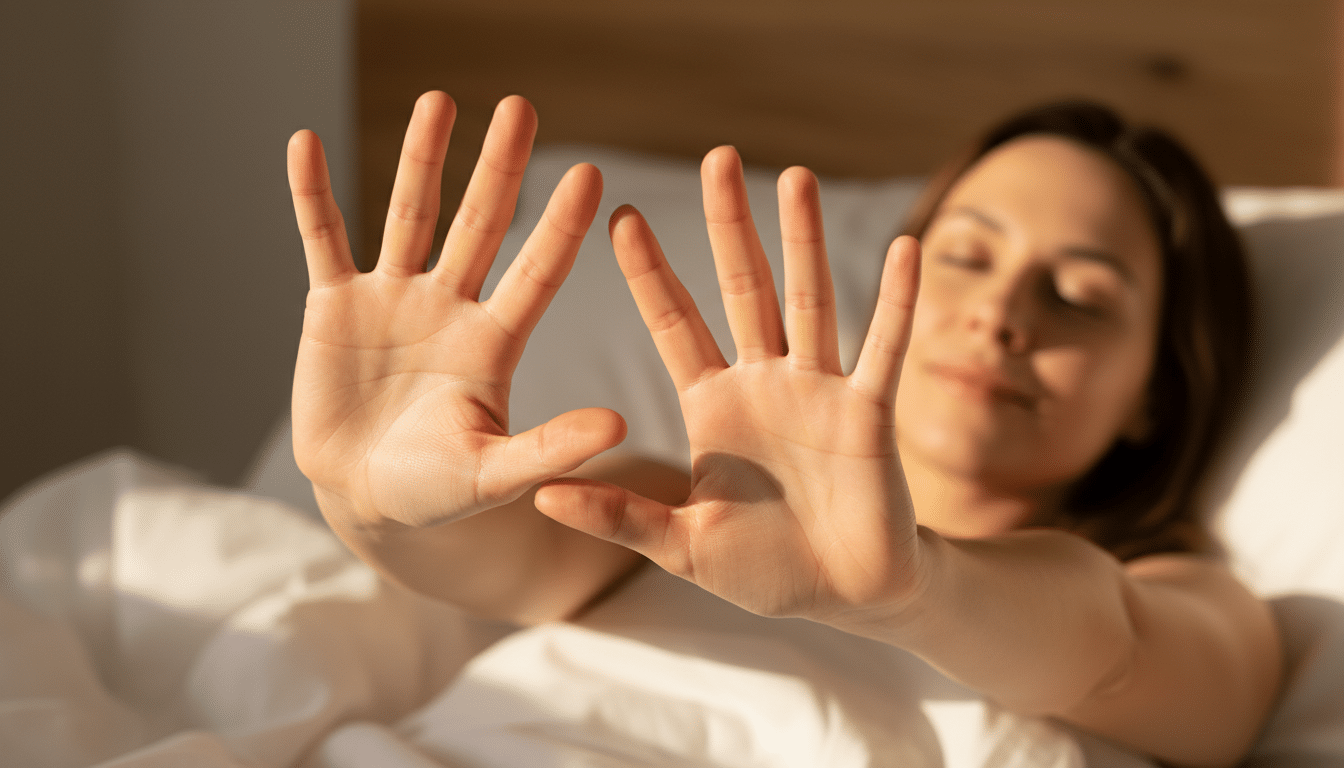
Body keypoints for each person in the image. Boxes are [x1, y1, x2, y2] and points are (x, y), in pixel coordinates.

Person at [286, 90, 1280, 766]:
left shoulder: (1202, 602)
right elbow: (494, 565)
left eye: (1080, 295)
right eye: (969, 255)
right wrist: (367, 501)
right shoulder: (688, 506)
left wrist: (912, 593)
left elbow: (1116, 645)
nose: (1004, 312)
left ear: (1159, 387)